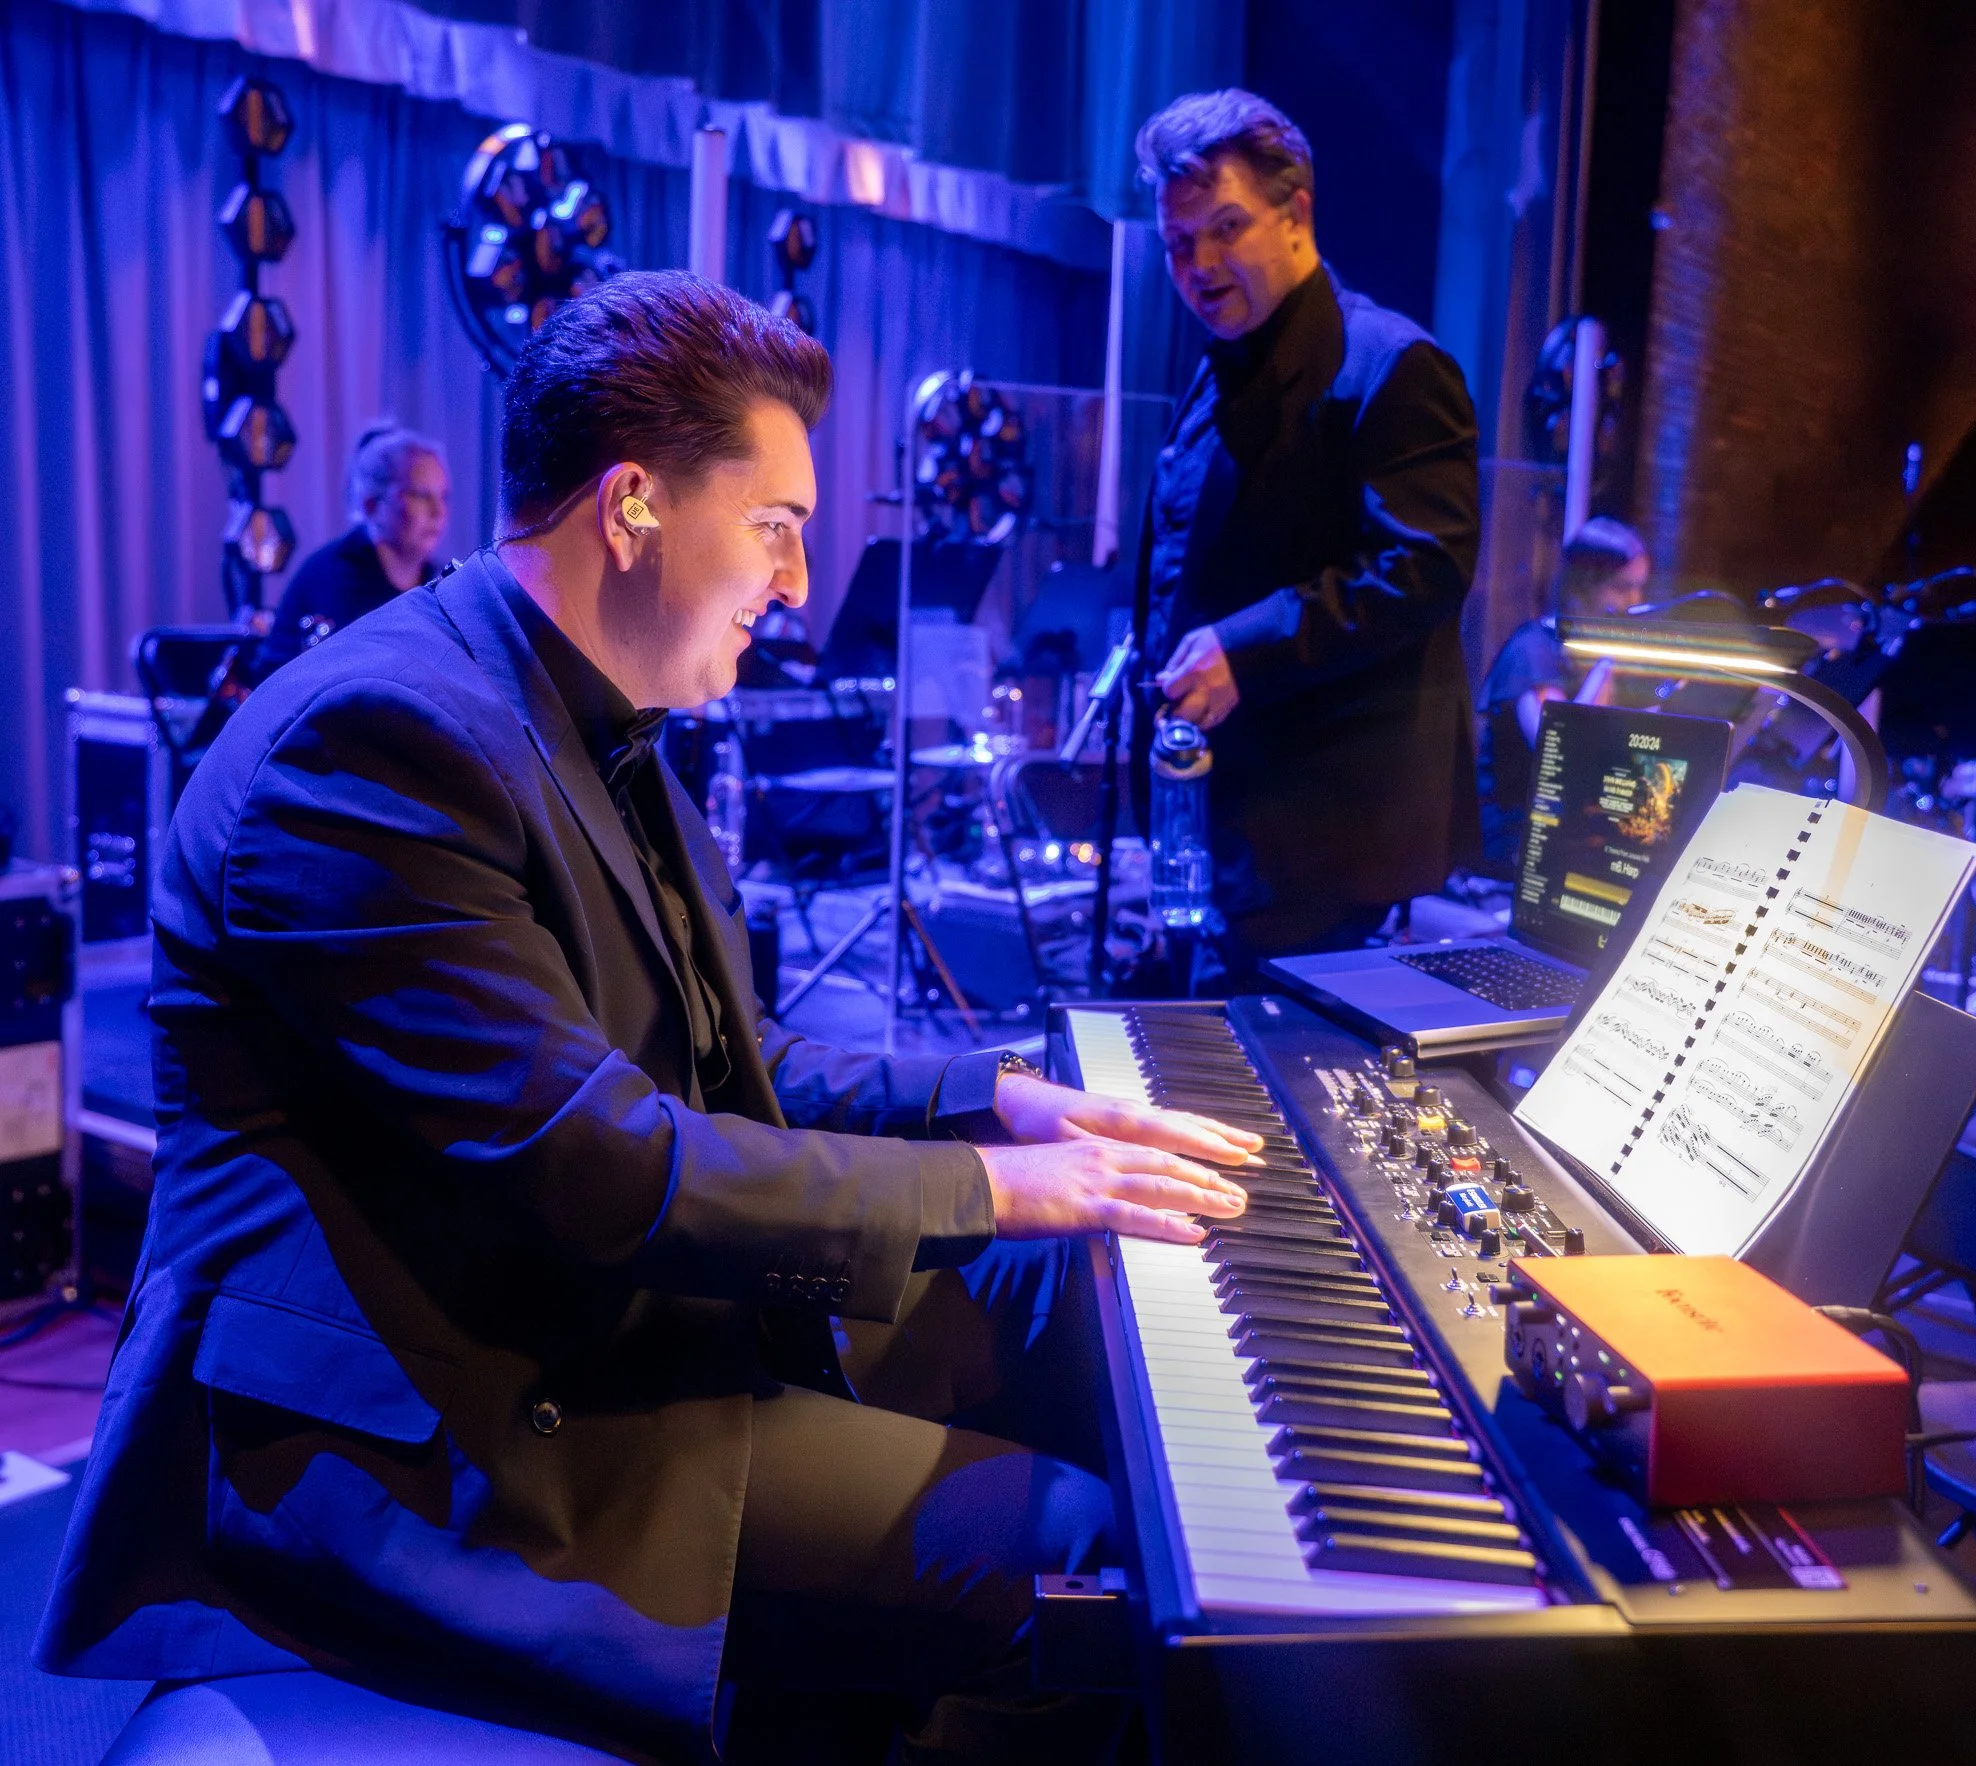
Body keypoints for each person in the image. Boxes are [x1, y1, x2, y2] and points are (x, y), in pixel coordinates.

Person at [36, 274, 1263, 1763]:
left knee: (1066, 1293)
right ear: (632, 506)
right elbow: (606, 1165)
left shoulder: (581, 712)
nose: (799, 582)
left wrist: (996, 1099)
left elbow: (737, 1058)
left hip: (594, 1322)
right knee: (1084, 1553)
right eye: (777, 524)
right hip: (452, 1425)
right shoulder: (373, 747)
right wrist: (994, 1187)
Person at [1130, 89, 1483, 974]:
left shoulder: (1394, 364)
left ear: (1296, 214)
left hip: (1324, 841)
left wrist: (1240, 652)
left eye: (1226, 228)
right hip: (1225, 828)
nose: (1201, 264)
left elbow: (1424, 567)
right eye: (1178, 243)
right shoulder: (1222, 366)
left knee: (1264, 1061)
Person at [1475, 517, 1649, 872]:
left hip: (1573, 840)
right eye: (1622, 588)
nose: (1635, 602)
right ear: (1582, 585)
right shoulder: (1533, 650)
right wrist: (1608, 660)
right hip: (1517, 845)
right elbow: (1562, 749)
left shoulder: (1592, 655)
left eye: (1639, 588)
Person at [254, 423, 451, 676]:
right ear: (371, 505)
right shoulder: (331, 577)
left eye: (444, 496)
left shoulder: (439, 582)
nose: (438, 511)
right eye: (420, 495)